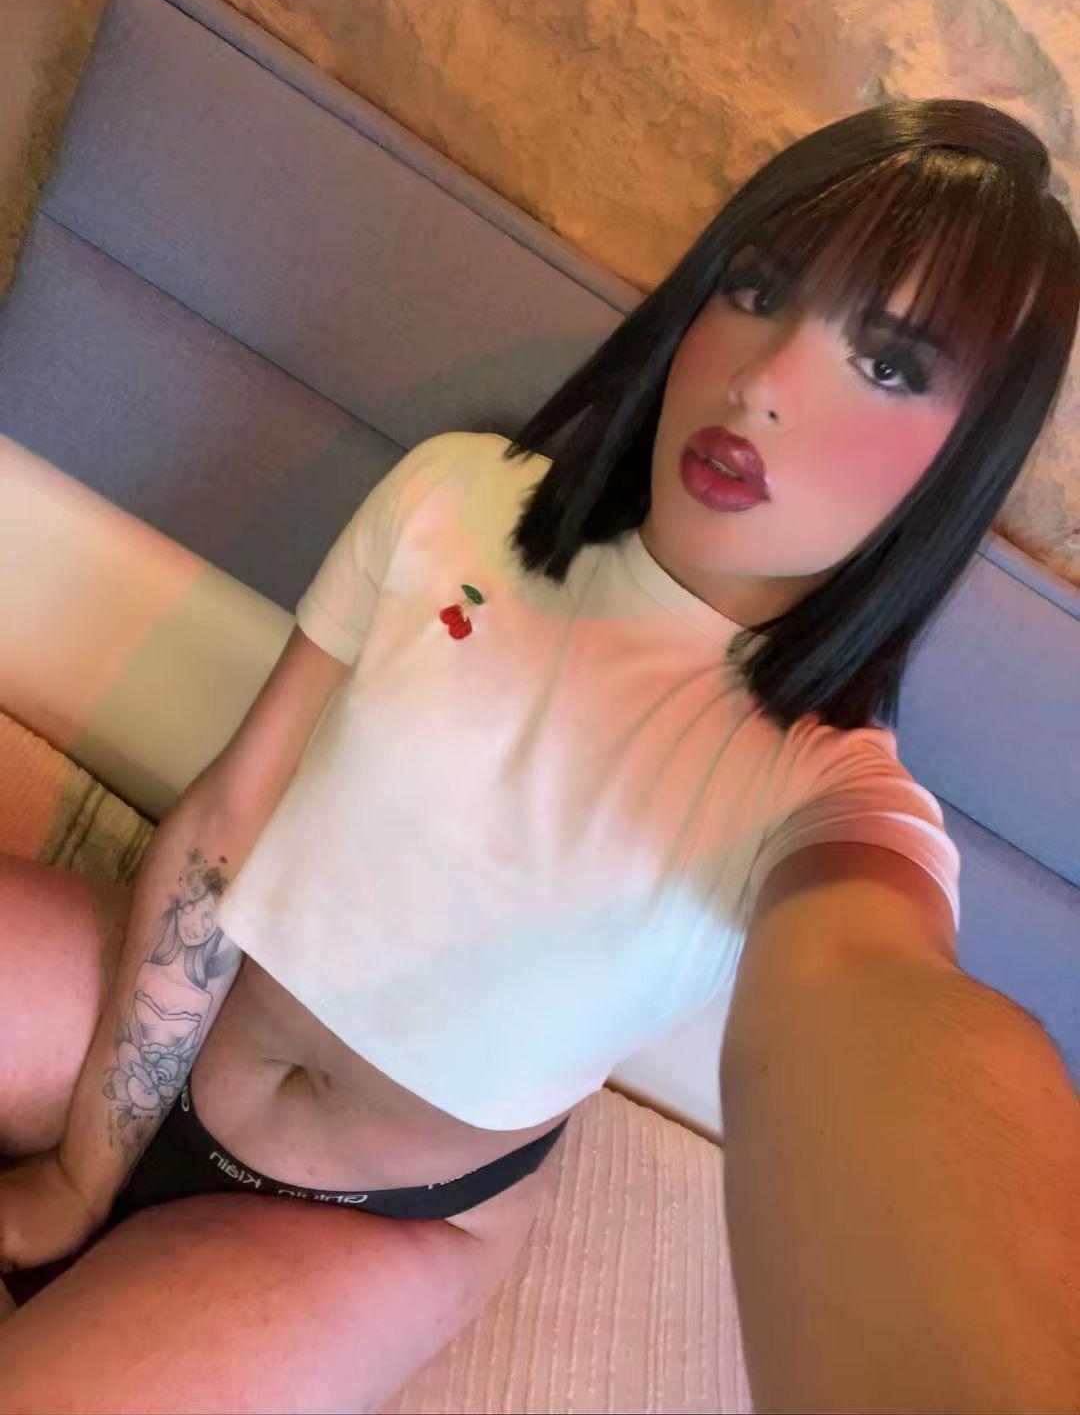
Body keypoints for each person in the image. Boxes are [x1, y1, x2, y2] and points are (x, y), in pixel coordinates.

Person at [0, 96, 1076, 1412]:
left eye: (891, 365)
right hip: (163, 1017)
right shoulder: (459, 497)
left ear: (961, 461)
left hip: (372, 1228)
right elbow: (228, 815)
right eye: (757, 289)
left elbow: (886, 997)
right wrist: (84, 1173)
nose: (762, 382)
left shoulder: (826, 789)